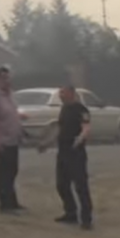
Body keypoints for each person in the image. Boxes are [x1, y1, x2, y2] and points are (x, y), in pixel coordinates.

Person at [38, 85, 93, 230]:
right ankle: (71, 213)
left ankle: (86, 218)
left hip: (76, 152)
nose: (61, 95)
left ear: (71, 93)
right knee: (62, 185)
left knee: (81, 186)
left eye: (63, 92)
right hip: (63, 152)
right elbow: (60, 130)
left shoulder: (81, 109)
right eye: (60, 93)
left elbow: (86, 127)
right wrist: (47, 143)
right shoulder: (64, 110)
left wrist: (79, 139)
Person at [0, 66, 28, 213]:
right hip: (2, 141)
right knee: (4, 173)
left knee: (13, 171)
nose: (7, 81)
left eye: (8, 78)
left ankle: (13, 202)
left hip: (13, 140)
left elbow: (12, 112)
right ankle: (5, 204)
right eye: (3, 78)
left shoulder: (10, 94)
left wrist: (19, 120)